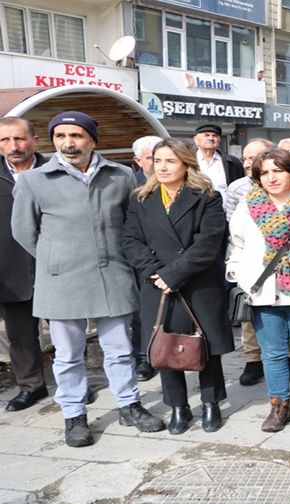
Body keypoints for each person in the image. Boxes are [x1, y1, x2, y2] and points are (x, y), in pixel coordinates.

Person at [12, 111, 164, 446]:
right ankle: (74, 415)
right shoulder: (33, 180)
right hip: (60, 281)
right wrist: (56, 258)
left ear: (93, 140)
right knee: (68, 355)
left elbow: (133, 223)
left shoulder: (121, 175)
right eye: (60, 136)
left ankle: (129, 405)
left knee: (121, 349)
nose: (68, 143)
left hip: (113, 275)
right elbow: (24, 231)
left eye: (77, 135)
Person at [122, 138, 235, 435]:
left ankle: (211, 403)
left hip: (198, 283)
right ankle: (178, 407)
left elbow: (209, 243)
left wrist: (174, 273)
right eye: (158, 161)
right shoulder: (140, 198)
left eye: (170, 161)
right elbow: (130, 240)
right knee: (165, 347)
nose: (162, 167)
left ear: (186, 164)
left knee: (205, 346)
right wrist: (156, 273)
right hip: (157, 285)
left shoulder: (206, 196)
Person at [226, 148, 290, 434]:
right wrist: (238, 275)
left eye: (278, 170)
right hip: (262, 292)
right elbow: (236, 246)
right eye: (265, 172)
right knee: (271, 354)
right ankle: (279, 405)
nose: (271, 177)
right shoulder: (247, 209)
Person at [0, 117, 48, 412]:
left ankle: (77, 382)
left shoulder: (56, 171)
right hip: (9, 266)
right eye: (5, 140)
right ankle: (32, 386)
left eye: (19, 139)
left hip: (54, 263)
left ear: (34, 140)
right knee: (20, 334)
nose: (13, 147)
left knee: (69, 328)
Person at [222, 138, 277, 386]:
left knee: (283, 309)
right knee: (249, 312)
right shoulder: (237, 188)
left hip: (282, 258)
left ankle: (288, 357)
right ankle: (253, 360)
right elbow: (231, 223)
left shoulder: (288, 181)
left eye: (253, 157)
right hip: (250, 257)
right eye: (245, 157)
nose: (247, 163)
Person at [129, 134, 164, 382]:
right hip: (142, 261)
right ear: (138, 160)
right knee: (142, 312)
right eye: (152, 158)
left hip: (174, 263)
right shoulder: (131, 185)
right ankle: (144, 357)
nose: (158, 164)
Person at [193, 123, 244, 204]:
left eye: (215, 135)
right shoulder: (187, 161)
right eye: (206, 135)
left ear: (219, 140)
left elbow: (240, 189)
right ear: (196, 140)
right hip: (195, 212)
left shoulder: (232, 162)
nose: (211, 138)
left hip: (225, 212)